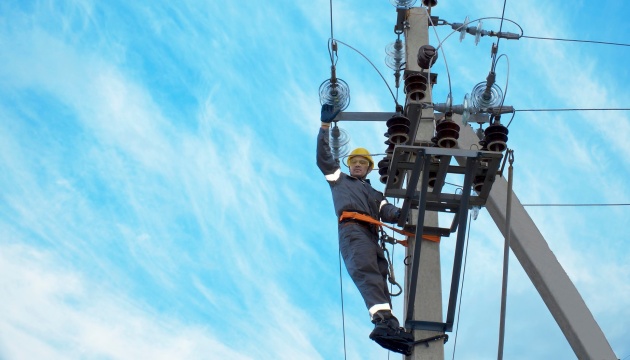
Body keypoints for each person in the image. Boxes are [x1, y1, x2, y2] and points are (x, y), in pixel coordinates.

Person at [316, 104, 414, 354]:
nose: (358, 165)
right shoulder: (339, 179)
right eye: (354, 162)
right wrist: (324, 127)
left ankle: (389, 324)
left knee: (379, 275)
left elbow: (388, 212)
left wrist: (405, 212)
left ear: (369, 168)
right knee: (368, 273)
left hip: (371, 235)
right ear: (349, 165)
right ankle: (382, 322)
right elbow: (324, 159)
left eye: (362, 163)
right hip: (353, 231)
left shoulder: (374, 192)